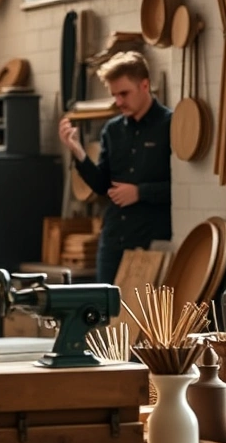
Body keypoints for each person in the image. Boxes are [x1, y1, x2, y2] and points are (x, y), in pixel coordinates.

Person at [58, 51, 172, 284]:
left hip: (151, 243)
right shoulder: (112, 130)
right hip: (112, 242)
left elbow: (183, 190)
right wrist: (77, 151)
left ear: (145, 85)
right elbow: (101, 185)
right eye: (114, 95)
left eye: (124, 94)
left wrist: (140, 192)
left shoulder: (170, 125)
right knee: (109, 316)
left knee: (145, 318)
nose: (118, 102)